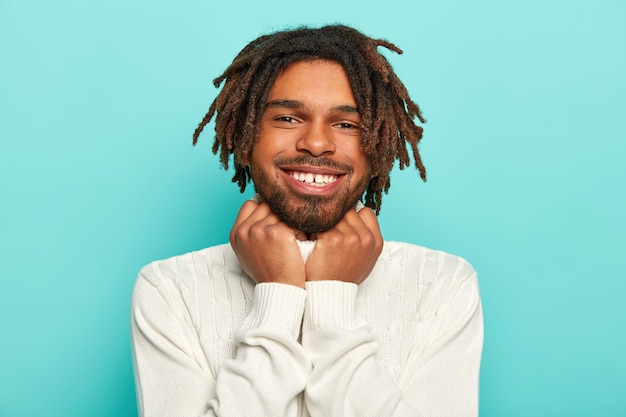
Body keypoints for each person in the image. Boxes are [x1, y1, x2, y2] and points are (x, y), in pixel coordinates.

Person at [131, 24, 483, 417]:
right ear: (245, 136)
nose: (316, 143)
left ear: (378, 144)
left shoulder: (443, 284)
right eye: (287, 118)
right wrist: (278, 298)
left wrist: (332, 299)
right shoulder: (168, 289)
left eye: (347, 124)